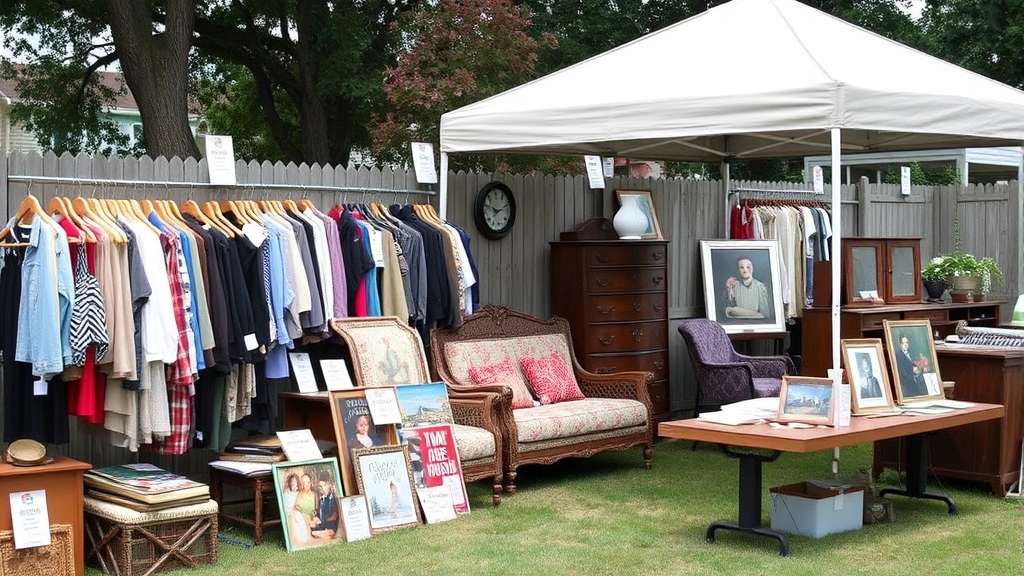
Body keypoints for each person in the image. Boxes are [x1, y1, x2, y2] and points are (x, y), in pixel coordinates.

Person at [282, 473, 311, 546]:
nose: (295, 487)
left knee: (302, 520)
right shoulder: (287, 493)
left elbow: (301, 504)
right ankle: (295, 538)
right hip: (290, 513)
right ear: (289, 485)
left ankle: (303, 538)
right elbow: (287, 506)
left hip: (298, 513)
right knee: (294, 521)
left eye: (296, 485)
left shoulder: (299, 493)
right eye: (292, 485)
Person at [310, 473, 340, 538]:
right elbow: (319, 513)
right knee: (312, 528)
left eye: (322, 486)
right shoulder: (321, 499)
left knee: (315, 532)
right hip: (323, 524)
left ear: (329, 485)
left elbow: (334, 516)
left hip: (331, 524)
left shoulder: (333, 498)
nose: (320, 488)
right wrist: (316, 518)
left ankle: (329, 533)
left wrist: (322, 522)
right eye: (319, 486)